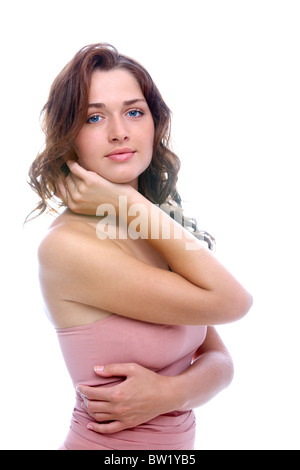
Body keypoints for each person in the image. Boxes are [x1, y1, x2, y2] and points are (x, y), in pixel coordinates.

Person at [27, 43, 252, 450]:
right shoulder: (66, 247)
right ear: (69, 137)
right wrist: (127, 201)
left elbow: (221, 361)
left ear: (155, 124)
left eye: (134, 112)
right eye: (94, 117)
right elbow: (233, 302)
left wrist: (168, 395)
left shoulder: (150, 227)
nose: (119, 132)